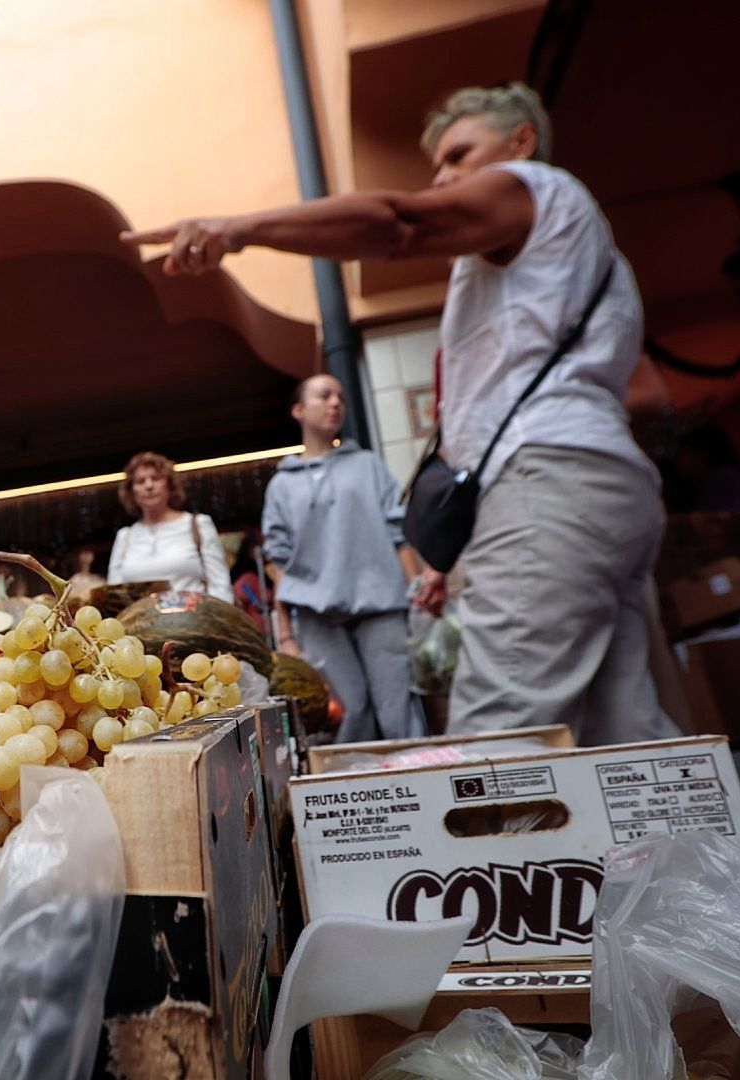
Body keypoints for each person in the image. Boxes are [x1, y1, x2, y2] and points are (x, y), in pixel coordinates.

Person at [123, 82, 676, 745]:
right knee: (633, 741)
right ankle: (696, 854)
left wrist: (238, 229)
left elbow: (397, 222)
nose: (442, 177)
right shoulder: (596, 261)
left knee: (500, 743)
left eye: (458, 155)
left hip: (550, 480)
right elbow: (651, 400)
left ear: (520, 141)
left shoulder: (530, 188)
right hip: (608, 486)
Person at [262, 376, 424, 742]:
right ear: (299, 410)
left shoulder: (368, 465)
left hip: (381, 604)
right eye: (324, 395)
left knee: (397, 710)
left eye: (341, 396)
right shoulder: (281, 485)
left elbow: (399, 535)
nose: (336, 402)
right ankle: (355, 793)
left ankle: (417, 788)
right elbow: (279, 564)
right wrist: (286, 635)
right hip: (318, 615)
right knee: (347, 714)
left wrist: (417, 594)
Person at [106, 452, 233, 602]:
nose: (149, 486)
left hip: (194, 622)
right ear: (132, 492)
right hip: (139, 623)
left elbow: (221, 587)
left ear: (169, 484)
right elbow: (113, 596)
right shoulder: (125, 537)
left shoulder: (198, 525)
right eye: (140, 481)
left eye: (156, 478)